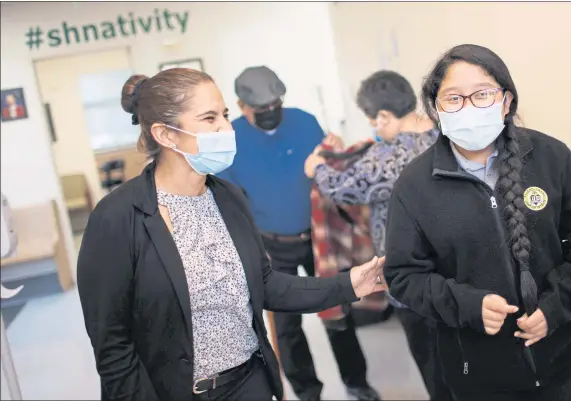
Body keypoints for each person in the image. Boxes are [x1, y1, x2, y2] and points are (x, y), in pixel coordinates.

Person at [76, 68, 387, 401]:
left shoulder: (228, 197)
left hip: (249, 382)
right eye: (209, 118)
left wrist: (350, 283)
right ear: (166, 135)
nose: (226, 127)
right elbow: (113, 347)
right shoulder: (117, 219)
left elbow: (266, 285)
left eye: (224, 115)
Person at [384, 44, 571, 401]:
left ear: (506, 101)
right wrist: (467, 305)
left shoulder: (552, 157)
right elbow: (403, 276)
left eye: (482, 94)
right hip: (477, 375)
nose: (469, 106)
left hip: (565, 364)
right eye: (454, 98)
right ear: (437, 109)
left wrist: (555, 306)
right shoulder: (414, 185)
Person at [216, 66, 380, 401]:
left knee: (337, 310)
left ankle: (357, 382)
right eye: (261, 110)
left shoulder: (305, 121)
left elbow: (330, 171)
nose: (270, 114)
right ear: (241, 106)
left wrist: (335, 149)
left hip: (319, 239)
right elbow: (232, 202)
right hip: (271, 246)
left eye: (276, 105)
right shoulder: (230, 140)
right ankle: (307, 392)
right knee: (287, 328)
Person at [304, 70, 450, 401]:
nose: (374, 127)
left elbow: (342, 188)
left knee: (437, 371)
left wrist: (317, 166)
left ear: (384, 115)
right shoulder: (445, 137)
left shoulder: (391, 156)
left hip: (416, 282)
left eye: (373, 120)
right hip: (460, 275)